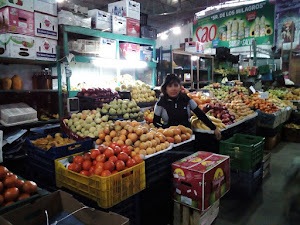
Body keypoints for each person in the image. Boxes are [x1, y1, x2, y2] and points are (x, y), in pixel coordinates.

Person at [153, 74, 221, 140]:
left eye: (176, 85)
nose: (173, 89)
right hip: (170, 139)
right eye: (170, 86)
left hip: (188, 137)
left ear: (180, 87)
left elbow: (200, 114)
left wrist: (213, 128)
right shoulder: (161, 103)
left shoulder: (186, 99)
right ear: (165, 88)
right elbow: (156, 122)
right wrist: (166, 129)